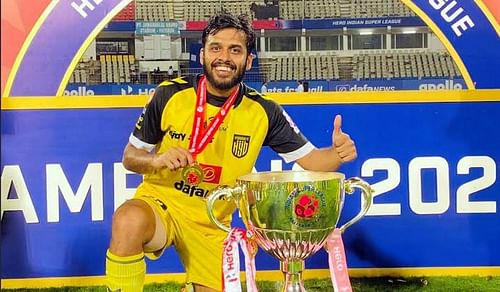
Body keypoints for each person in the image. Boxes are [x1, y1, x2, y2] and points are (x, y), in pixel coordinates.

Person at [105, 11, 357, 292]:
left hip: (213, 223)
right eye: (216, 48)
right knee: (128, 219)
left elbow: (312, 161)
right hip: (162, 204)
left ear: (248, 60)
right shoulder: (170, 95)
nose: (224, 57)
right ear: (202, 55)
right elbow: (130, 157)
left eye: (235, 50)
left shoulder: (263, 111)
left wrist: (337, 153)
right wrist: (156, 160)